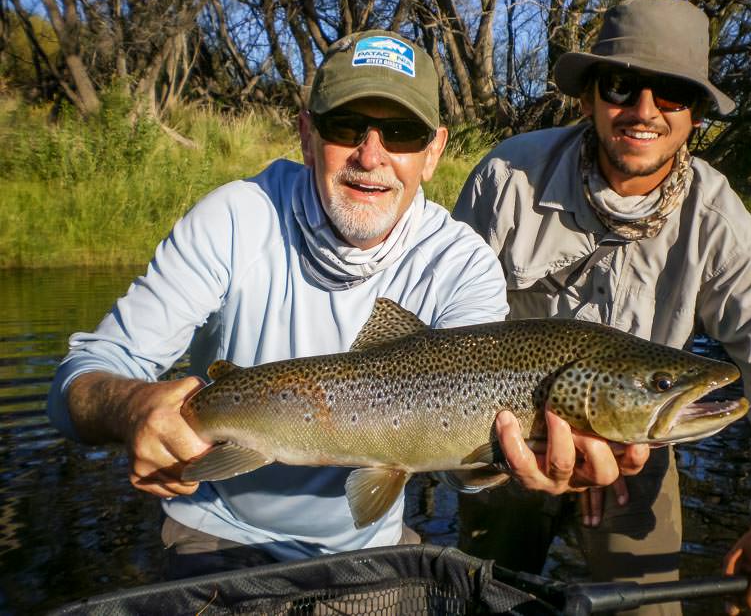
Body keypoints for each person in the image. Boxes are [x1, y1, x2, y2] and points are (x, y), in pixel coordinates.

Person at [47, 29, 640, 579]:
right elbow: (77, 383)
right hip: (216, 533)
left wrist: (520, 462)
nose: (371, 154)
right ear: (307, 133)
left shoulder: (461, 262)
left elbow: (466, 451)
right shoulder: (236, 218)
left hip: (369, 542)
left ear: (433, 152)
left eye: (402, 134)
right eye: (346, 125)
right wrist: (128, 406)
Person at [453, 0, 751, 615]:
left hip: (640, 450)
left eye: (671, 95)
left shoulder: (718, 223)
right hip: (499, 444)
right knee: (480, 600)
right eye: (622, 86)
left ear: (695, 115)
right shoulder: (507, 179)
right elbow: (441, 336)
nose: (644, 112)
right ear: (588, 97)